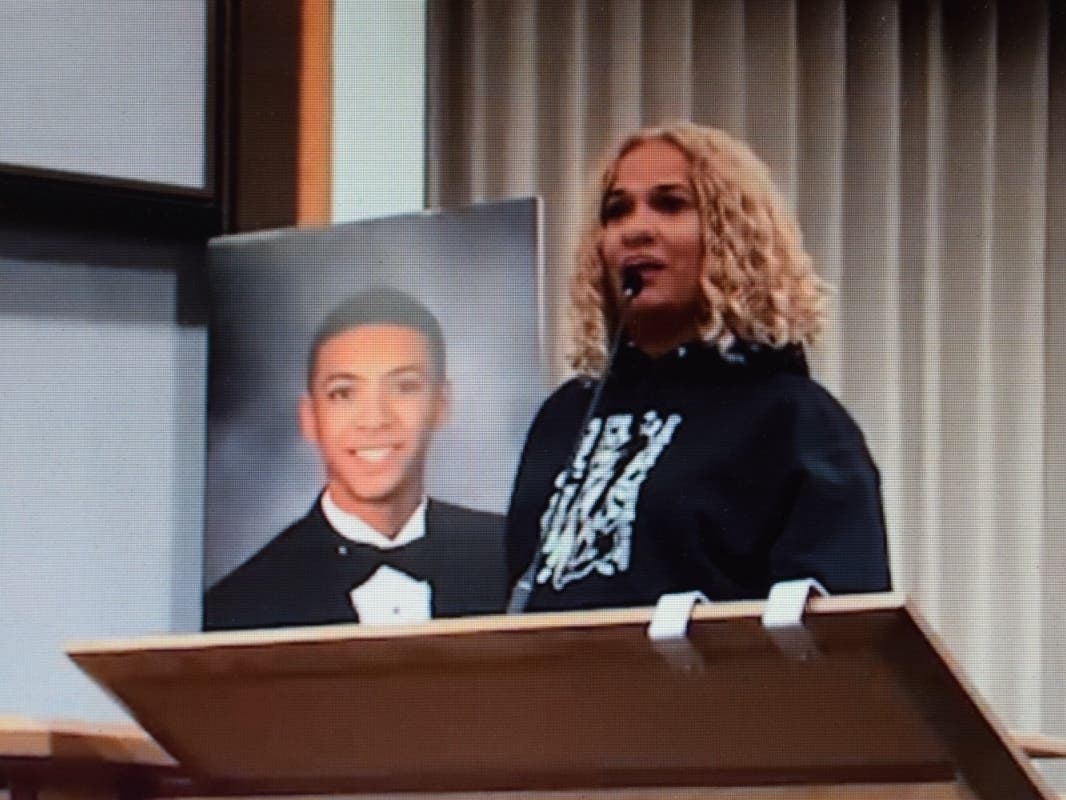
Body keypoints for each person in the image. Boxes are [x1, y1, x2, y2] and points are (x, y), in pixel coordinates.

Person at [506, 122, 890, 613]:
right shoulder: (564, 419)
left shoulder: (794, 421)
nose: (637, 229)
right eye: (617, 210)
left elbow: (840, 639)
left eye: (670, 204)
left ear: (732, 234)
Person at [204, 287, 507, 630]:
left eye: (404, 386)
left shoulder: (513, 558)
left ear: (441, 405)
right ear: (309, 418)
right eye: (344, 393)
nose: (374, 420)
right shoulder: (238, 606)